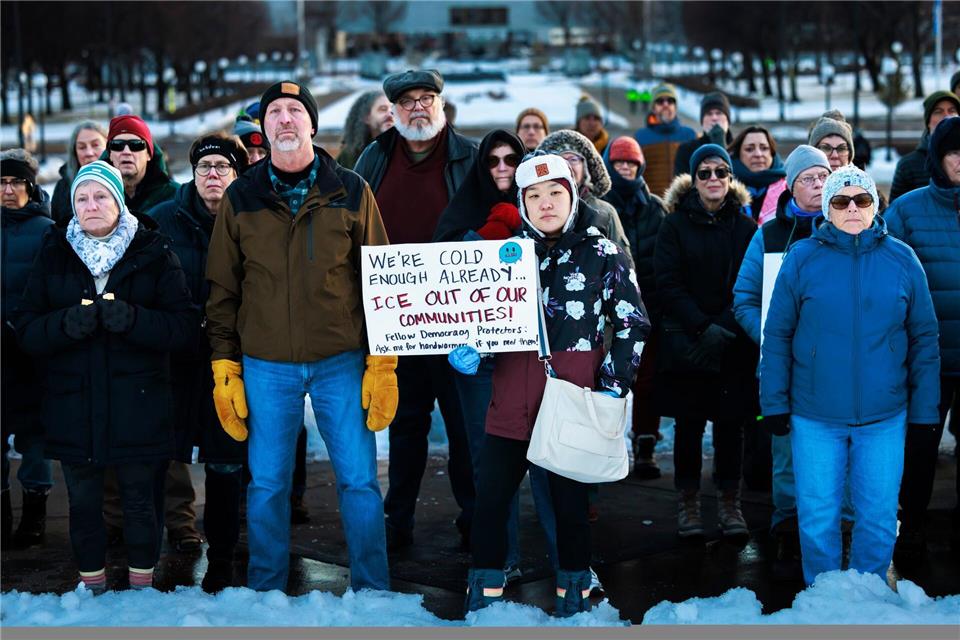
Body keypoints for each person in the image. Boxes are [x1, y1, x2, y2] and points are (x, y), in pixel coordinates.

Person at [205, 80, 395, 592]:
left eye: (295, 111)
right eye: (275, 114)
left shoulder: (352, 189)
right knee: (266, 483)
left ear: (312, 123)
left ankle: (373, 590)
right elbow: (223, 289)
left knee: (359, 481)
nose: (285, 120)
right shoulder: (241, 197)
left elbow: (380, 281)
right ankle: (266, 592)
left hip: (342, 359)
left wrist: (383, 361)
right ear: (263, 129)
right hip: (268, 365)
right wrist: (226, 366)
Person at [459, 152, 649, 617]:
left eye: (555, 193)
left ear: (572, 195)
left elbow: (632, 323)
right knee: (491, 501)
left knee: (569, 504)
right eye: (534, 196)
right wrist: (472, 348)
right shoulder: (504, 255)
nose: (546, 203)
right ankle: (485, 596)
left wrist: (612, 382)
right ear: (523, 202)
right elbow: (483, 318)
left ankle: (574, 594)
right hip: (511, 396)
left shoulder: (602, 251)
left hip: (573, 397)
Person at [14, 160, 198, 593]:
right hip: (73, 405)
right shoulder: (55, 250)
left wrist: (133, 319)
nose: (91, 205)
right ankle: (91, 590)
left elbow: (183, 327)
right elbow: (26, 327)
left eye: (100, 196)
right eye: (82, 197)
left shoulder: (153, 251)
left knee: (139, 503)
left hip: (140, 404)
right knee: (83, 503)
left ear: (118, 201)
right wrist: (65, 325)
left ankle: (141, 591)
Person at [759, 165, 940, 586]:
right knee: (818, 514)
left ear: (875, 205)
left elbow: (925, 338)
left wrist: (926, 412)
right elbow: (778, 334)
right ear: (827, 208)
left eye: (862, 199)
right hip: (815, 415)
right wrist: (774, 403)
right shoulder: (803, 257)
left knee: (877, 516)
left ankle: (868, 596)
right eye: (841, 201)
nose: (852, 208)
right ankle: (822, 597)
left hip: (885, 414)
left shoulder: (902, 258)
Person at [354, 69, 478, 551]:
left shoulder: (468, 156)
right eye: (408, 102)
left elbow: (496, 217)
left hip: (460, 321)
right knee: (405, 427)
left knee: (467, 428)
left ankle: (475, 517)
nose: (418, 108)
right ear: (394, 112)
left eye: (428, 98)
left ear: (441, 105)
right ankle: (397, 520)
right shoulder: (375, 156)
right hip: (398, 321)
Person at [433, 130, 558, 581]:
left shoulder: (542, 212)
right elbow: (440, 283)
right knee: (489, 460)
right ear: (481, 167)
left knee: (550, 457)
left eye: (511, 159)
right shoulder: (461, 213)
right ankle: (499, 557)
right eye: (494, 161)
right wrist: (484, 236)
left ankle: (568, 562)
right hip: (480, 361)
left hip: (535, 359)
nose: (503, 168)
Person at [146, 133, 250, 591]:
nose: (212, 175)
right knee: (159, 460)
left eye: (222, 168)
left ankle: (223, 559)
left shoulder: (252, 217)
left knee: (227, 464)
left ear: (236, 175)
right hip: (172, 363)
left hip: (230, 363)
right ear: (192, 173)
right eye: (204, 167)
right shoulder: (161, 219)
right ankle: (145, 561)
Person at [732, 145, 832, 577]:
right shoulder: (769, 233)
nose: (819, 185)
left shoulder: (845, 226)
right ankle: (787, 525)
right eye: (809, 178)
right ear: (791, 185)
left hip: (835, 364)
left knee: (837, 444)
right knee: (787, 448)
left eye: (825, 176)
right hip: (783, 365)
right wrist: (772, 340)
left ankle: (837, 525)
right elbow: (744, 298)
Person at [655, 144, 758, 538]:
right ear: (693, 179)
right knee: (689, 426)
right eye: (705, 173)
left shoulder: (748, 229)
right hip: (690, 341)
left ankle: (731, 502)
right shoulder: (675, 225)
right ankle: (689, 502)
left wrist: (726, 327)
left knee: (732, 427)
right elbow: (667, 282)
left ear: (730, 178)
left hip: (733, 342)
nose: (713, 179)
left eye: (721, 172)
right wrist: (702, 326)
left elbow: (751, 285)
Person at [883, 116, 960, 566]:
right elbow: (887, 277)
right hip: (928, 357)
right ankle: (911, 525)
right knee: (922, 444)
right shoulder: (908, 211)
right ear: (937, 157)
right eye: (954, 152)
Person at [601, 137, 666, 479]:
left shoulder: (655, 207)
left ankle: (644, 445)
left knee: (648, 382)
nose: (625, 168)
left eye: (631, 163)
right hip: (609, 312)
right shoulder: (601, 206)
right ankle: (606, 448)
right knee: (609, 381)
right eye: (619, 162)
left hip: (650, 306)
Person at [1, 149, 55, 548]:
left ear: (30, 186)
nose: (7, 190)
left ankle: (35, 516)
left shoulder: (46, 230)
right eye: (1, 182)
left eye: (16, 182)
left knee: (34, 439)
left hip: (31, 352)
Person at [537, 130, 631, 257]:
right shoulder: (536, 210)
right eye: (560, 160)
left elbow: (623, 263)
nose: (567, 165)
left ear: (585, 168)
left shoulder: (605, 212)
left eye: (573, 159)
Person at [889, 90, 959, 201]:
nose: (947, 116)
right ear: (928, 122)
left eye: (952, 110)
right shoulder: (908, 165)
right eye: (938, 111)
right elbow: (895, 211)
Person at [104, 115, 179, 213]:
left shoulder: (175, 196)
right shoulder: (94, 198)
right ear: (110, 154)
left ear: (148, 154)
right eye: (117, 145)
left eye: (136, 145)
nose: (126, 151)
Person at [634, 83, 696, 199]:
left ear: (676, 107)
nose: (666, 104)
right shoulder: (640, 137)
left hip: (683, 204)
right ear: (653, 107)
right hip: (652, 205)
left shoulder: (689, 135)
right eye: (660, 101)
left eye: (670, 101)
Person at [51, 121, 108, 223]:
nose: (89, 153)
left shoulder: (125, 183)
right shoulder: (63, 187)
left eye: (95, 145)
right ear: (75, 152)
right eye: (82, 147)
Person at [729, 125, 787, 225]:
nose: (758, 154)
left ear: (772, 153)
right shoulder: (726, 188)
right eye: (749, 149)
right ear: (738, 154)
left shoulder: (789, 188)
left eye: (764, 148)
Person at [674, 92, 734, 178]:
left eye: (719, 113)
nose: (714, 118)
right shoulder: (687, 150)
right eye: (709, 114)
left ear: (728, 120)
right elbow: (682, 186)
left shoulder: (740, 148)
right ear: (702, 121)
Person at [337, 90, 394, 170]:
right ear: (366, 117)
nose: (390, 113)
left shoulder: (403, 149)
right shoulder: (348, 155)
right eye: (383, 109)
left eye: (393, 109)